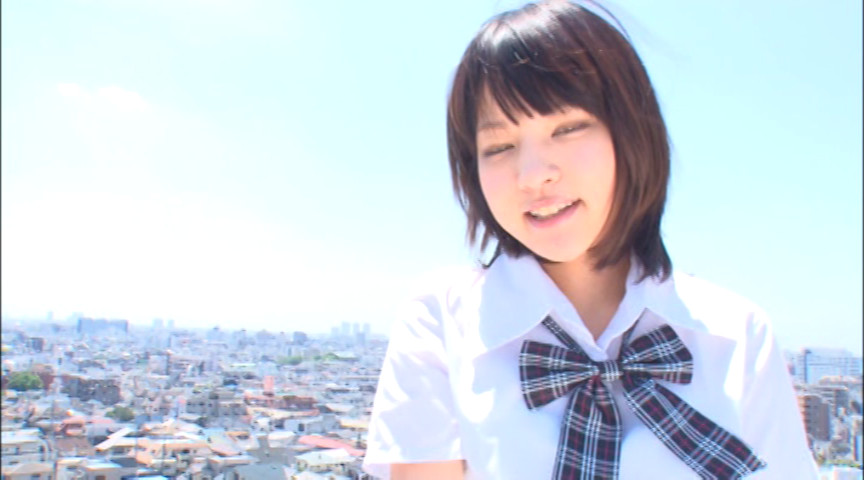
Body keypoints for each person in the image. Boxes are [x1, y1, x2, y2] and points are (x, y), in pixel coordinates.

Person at [362, 1, 817, 479]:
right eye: (499, 146)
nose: (533, 174)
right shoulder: (442, 321)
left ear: (631, 132)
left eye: (567, 128)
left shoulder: (737, 334)